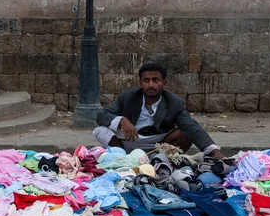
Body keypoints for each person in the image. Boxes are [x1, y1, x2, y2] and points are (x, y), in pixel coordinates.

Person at [94, 62, 226, 159]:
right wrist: (121, 120)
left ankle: (160, 160)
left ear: (164, 83)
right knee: (100, 131)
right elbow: (102, 116)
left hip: (158, 144)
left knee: (185, 133)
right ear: (140, 83)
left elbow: (191, 126)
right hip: (129, 141)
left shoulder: (174, 102)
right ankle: (122, 158)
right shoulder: (128, 97)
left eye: (155, 80)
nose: (151, 85)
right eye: (146, 80)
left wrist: (213, 151)